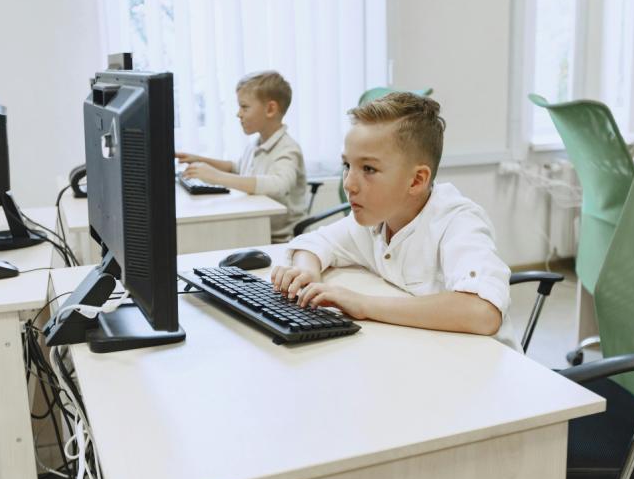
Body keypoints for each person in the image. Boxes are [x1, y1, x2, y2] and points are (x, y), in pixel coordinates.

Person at [270, 92, 518, 351]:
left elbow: (483, 311)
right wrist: (307, 273)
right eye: (347, 166)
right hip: (421, 355)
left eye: (368, 169)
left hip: (481, 371)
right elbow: (314, 243)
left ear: (416, 180)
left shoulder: (457, 222)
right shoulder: (377, 218)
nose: (349, 184)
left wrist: (363, 304)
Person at [175, 71, 307, 243]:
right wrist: (199, 159)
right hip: (255, 228)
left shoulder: (288, 150)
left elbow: (277, 185)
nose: (239, 114)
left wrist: (216, 177)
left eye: (244, 107)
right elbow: (237, 168)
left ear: (270, 109)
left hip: (280, 240)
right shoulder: (257, 143)